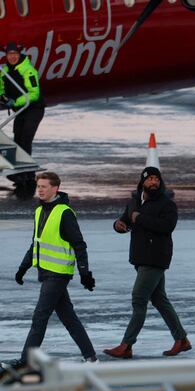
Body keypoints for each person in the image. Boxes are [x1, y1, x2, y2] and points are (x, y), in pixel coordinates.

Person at [5, 172, 97, 368]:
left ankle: (25, 362)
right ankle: (91, 358)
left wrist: (85, 273)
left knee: (40, 316)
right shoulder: (40, 211)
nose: (40, 190)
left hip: (58, 274)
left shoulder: (64, 213)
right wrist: (23, 268)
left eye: (44, 186)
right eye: (38, 186)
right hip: (45, 272)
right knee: (69, 318)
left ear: (55, 189)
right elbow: (36, 244)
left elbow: (79, 245)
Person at [103, 167, 191, 359]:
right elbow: (126, 219)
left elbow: (167, 227)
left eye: (157, 179)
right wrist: (118, 224)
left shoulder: (167, 204)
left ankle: (126, 345)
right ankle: (182, 340)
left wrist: (140, 218)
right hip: (140, 258)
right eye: (150, 179)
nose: (154, 182)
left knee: (139, 298)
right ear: (142, 182)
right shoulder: (135, 202)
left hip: (156, 258)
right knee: (159, 299)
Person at [0, 42, 45, 192]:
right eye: (9, 54)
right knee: (17, 138)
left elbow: (34, 93)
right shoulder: (5, 70)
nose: (12, 57)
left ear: (19, 55)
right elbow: (0, 86)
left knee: (26, 138)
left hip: (33, 109)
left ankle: (27, 174)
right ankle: (21, 173)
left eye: (15, 54)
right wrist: (3, 97)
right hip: (20, 109)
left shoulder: (28, 70)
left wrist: (16, 101)